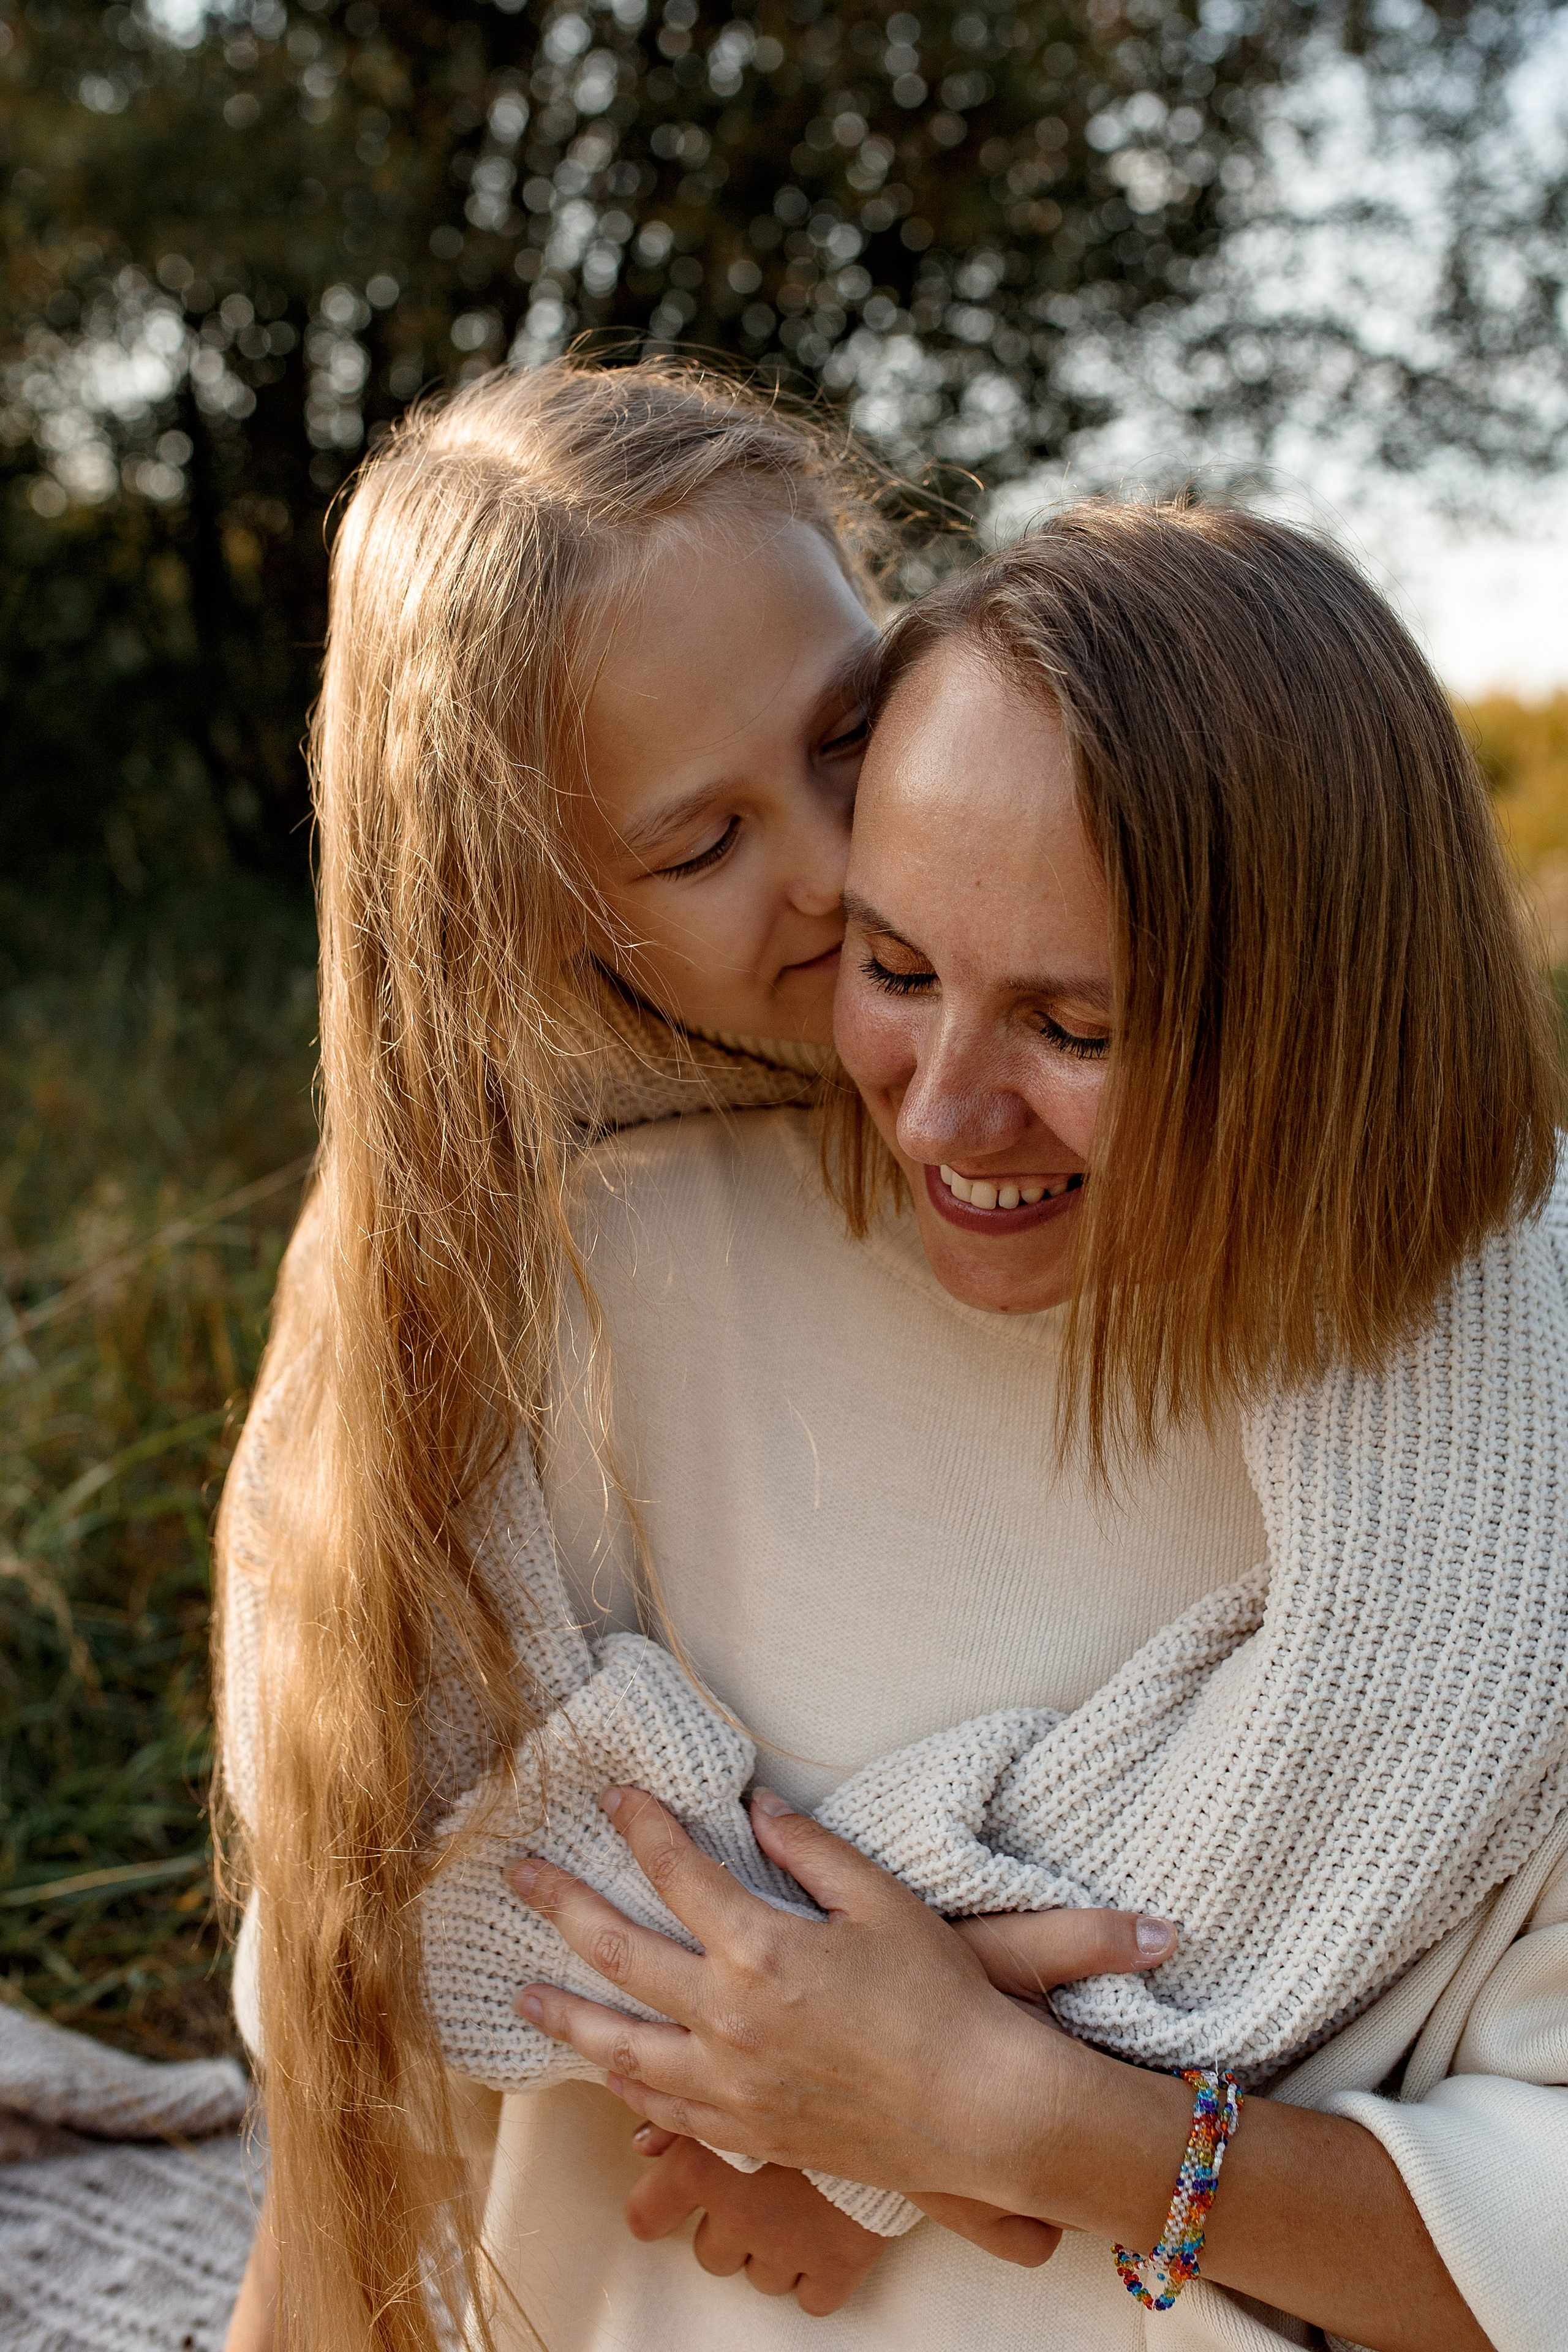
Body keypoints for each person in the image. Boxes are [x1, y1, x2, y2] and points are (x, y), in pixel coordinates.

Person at [469, 508, 1568, 2350]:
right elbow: (374, 1883)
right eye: (893, 971)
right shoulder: (610, 1274)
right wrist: (744, 2056)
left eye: (1075, 1021)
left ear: (1327, 1024)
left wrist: (1012, 2122)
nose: (946, 1115)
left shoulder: (1518, 1410)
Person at [216, 352, 950, 2352]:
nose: (831, 869)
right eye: (699, 847)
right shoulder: (485, 1267)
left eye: (853, 739)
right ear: (526, 898)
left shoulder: (1059, 1081)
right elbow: (352, 1928)